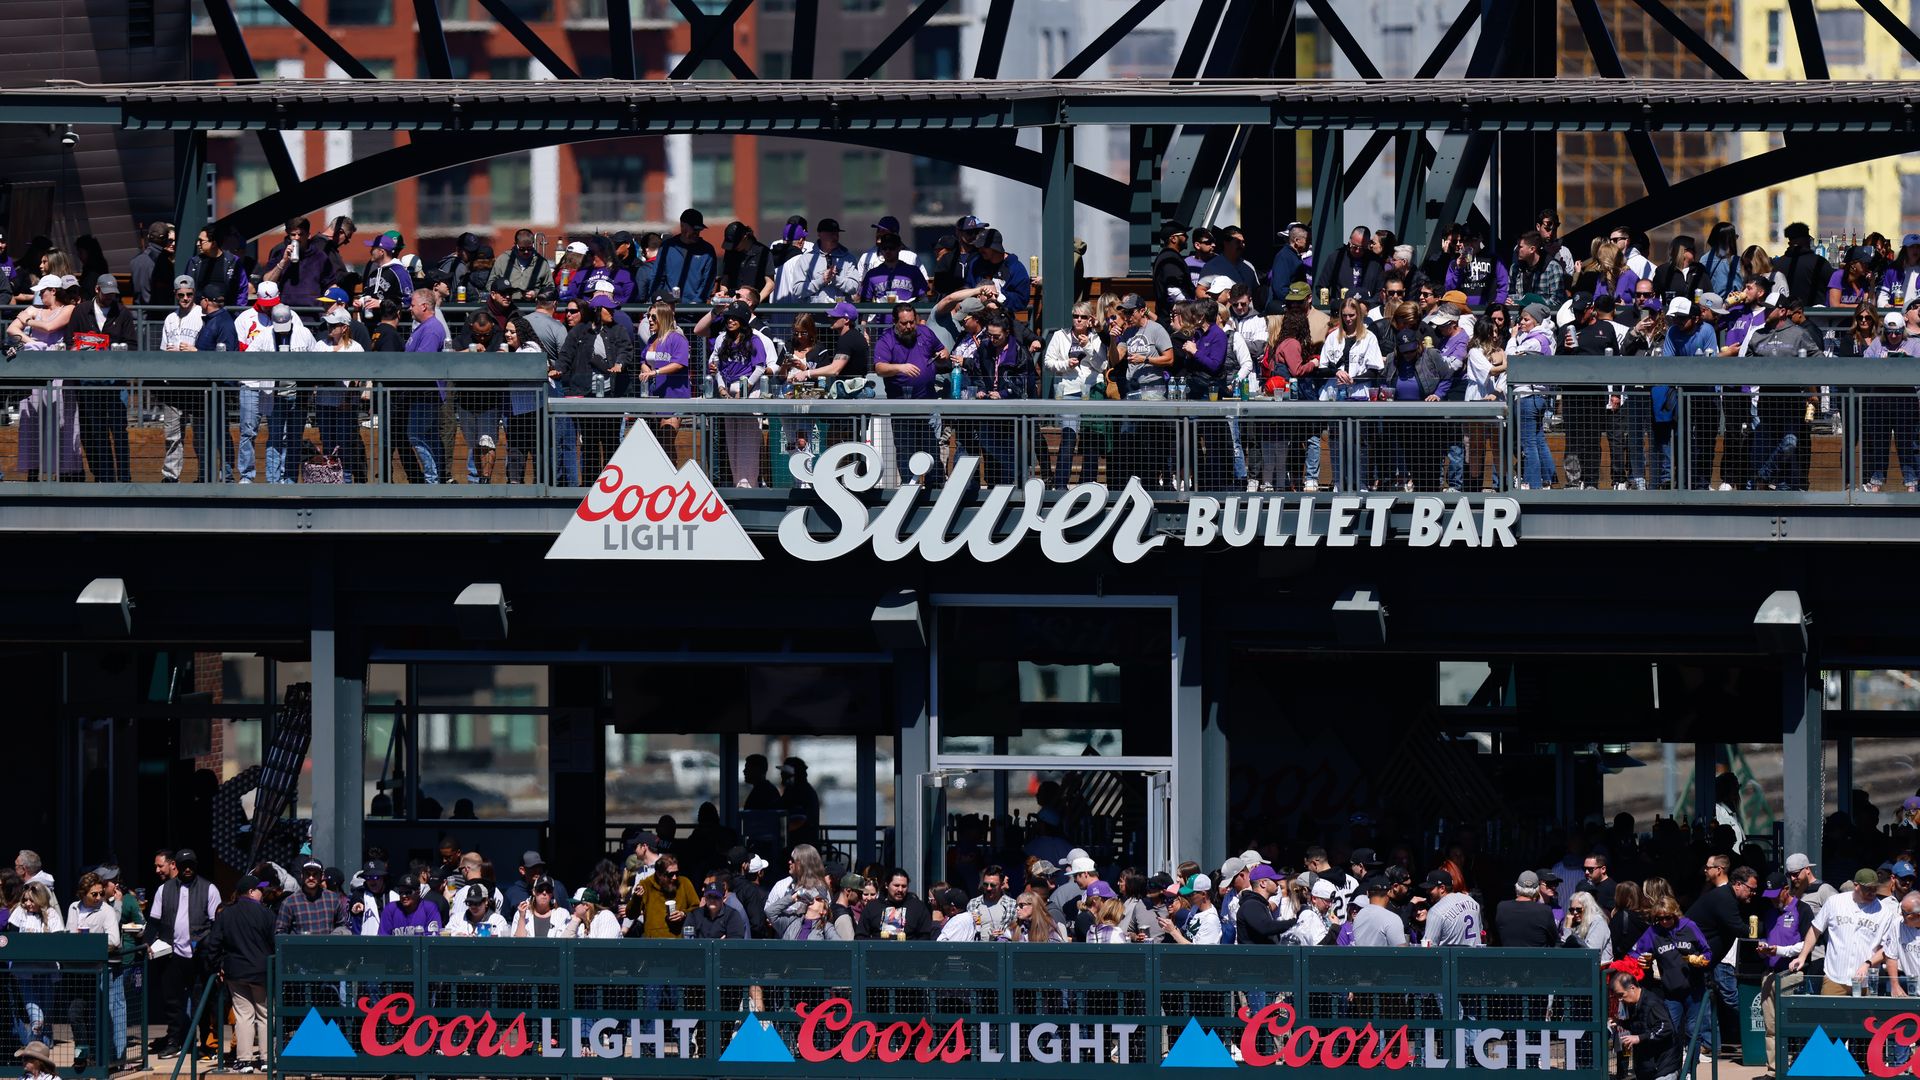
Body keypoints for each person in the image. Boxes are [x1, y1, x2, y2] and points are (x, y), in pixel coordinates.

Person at [64, 273, 137, 483]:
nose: (109, 298)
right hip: (88, 381)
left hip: (114, 382)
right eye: (106, 294)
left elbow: (133, 345)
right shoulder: (81, 311)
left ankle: (124, 478)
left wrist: (116, 349)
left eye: (113, 294)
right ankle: (104, 478)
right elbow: (70, 340)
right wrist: (80, 348)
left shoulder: (123, 313)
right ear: (97, 290)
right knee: (96, 430)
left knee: (119, 430)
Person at [202, 875, 274, 1073]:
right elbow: (274, 944)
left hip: (235, 972)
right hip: (262, 971)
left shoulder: (226, 914)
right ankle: (267, 1059)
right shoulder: (266, 914)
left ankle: (244, 1060)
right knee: (265, 1015)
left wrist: (217, 967)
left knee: (243, 1016)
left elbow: (213, 944)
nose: (262, 893)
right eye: (259, 889)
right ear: (251, 892)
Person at [1792, 868, 1899, 994]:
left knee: (1866, 1014)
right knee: (1829, 1014)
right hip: (1834, 977)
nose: (1872, 892)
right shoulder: (1835, 902)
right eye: (1867, 888)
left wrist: (1868, 964)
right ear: (1856, 885)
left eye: (1874, 888)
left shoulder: (1884, 912)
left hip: (1865, 982)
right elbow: (1815, 929)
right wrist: (1802, 956)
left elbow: (1887, 947)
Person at [1629, 896, 1712, 1044]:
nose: (1664, 922)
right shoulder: (1653, 932)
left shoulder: (1689, 926)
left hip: (1694, 989)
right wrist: (1639, 959)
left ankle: (1691, 1066)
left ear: (1675, 913)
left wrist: (1701, 960)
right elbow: (1634, 953)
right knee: (1670, 1030)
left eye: (1668, 917)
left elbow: (1707, 952)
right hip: (1671, 992)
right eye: (1660, 918)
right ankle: (1675, 1067)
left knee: (1692, 1031)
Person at [1610, 971, 1680, 1080]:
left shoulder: (1652, 1003)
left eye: (1621, 995)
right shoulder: (1634, 1003)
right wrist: (1620, 1023)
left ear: (1632, 988)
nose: (1620, 999)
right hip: (1648, 1066)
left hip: (1663, 1067)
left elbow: (1666, 1028)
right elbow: (1640, 1024)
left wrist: (1639, 1038)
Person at [774, 218, 856, 304]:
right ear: (820, 234)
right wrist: (822, 280)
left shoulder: (848, 258)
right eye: (831, 233)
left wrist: (836, 279)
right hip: (815, 314)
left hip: (841, 314)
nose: (835, 237)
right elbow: (798, 291)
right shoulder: (805, 259)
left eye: (837, 233)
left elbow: (854, 287)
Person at [645, 209, 718, 303]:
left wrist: (696, 303)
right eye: (694, 229)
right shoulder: (667, 247)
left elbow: (708, 281)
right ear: (682, 226)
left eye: (699, 230)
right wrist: (659, 300)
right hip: (668, 309)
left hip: (694, 310)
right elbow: (658, 277)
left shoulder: (707, 250)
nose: (697, 233)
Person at [1493, 870, 1558, 947]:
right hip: (1536, 958)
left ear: (1517, 887)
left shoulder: (1502, 907)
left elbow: (1497, 936)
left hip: (1509, 957)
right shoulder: (1545, 910)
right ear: (1537, 890)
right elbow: (1554, 940)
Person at [1348, 876, 1407, 946]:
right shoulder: (1392, 918)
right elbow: (1401, 952)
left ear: (1367, 893)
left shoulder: (1359, 915)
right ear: (1389, 892)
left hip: (1361, 957)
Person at [377, 879, 441, 936]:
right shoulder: (390, 909)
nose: (404, 896)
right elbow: (383, 937)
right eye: (401, 892)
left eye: (408, 892)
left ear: (418, 892)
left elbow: (432, 937)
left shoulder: (429, 908)